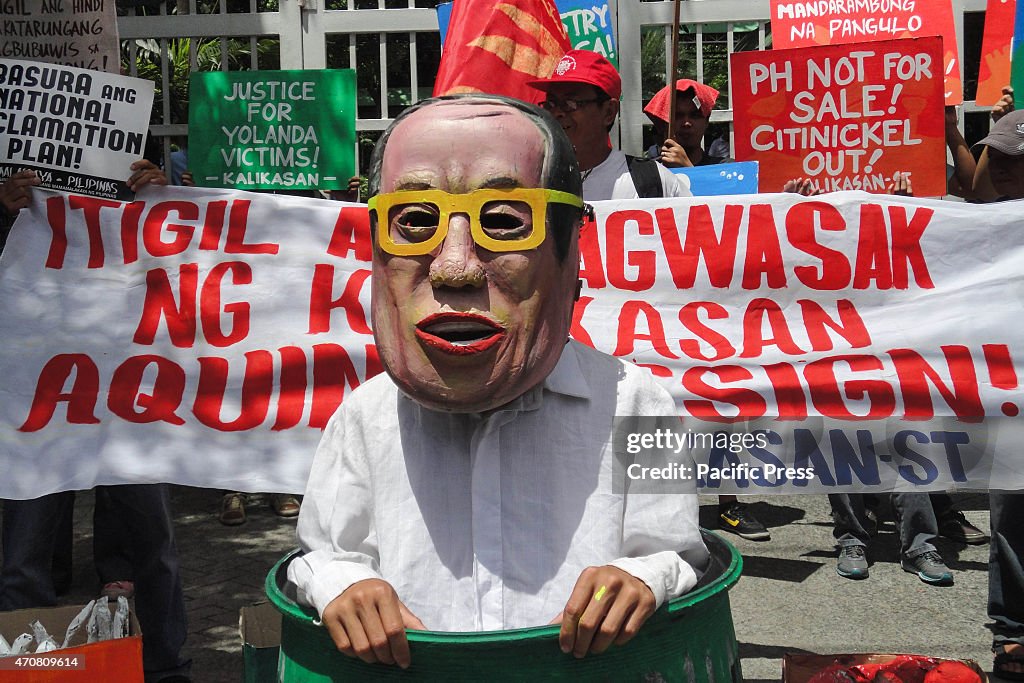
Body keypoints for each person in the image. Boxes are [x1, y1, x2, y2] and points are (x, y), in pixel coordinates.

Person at [287, 93, 709, 668]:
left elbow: (679, 553)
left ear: (570, 258)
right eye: (414, 222)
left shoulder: (638, 403)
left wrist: (641, 576)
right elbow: (322, 555)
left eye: (505, 221)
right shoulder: (366, 416)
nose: (454, 267)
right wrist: (340, 583)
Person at [0, 161, 192, 683]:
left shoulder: (133, 163)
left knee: (152, 545)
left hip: (125, 390)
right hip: (37, 395)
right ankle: (36, 671)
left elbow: (186, 247)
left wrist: (167, 193)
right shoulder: (14, 173)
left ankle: (166, 668)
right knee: (23, 554)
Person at [526, 50, 691, 201]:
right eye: (551, 103)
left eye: (571, 103)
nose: (557, 113)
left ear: (608, 112)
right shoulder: (529, 182)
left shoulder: (655, 182)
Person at [643, 79, 726, 168]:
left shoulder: (725, 170)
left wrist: (687, 167)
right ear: (664, 123)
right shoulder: (650, 173)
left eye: (695, 115)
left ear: (706, 121)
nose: (686, 123)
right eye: (677, 116)